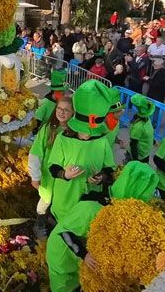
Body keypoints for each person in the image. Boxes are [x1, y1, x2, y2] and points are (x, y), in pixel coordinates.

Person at [44, 82, 117, 221]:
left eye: (91, 131)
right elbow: (53, 166)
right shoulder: (63, 139)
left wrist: (101, 177)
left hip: (89, 203)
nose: (87, 134)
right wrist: (65, 174)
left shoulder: (102, 141)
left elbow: (109, 169)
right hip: (64, 201)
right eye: (83, 129)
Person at [42, 200, 102, 292]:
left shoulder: (93, 206)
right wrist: (84, 255)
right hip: (62, 256)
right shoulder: (94, 214)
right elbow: (65, 233)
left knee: (76, 283)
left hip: (71, 257)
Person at [28, 96, 75, 238]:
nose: (61, 112)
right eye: (59, 109)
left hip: (65, 176)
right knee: (46, 200)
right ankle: (39, 224)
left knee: (60, 200)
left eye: (66, 110)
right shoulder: (49, 129)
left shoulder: (75, 132)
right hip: (48, 176)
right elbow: (36, 153)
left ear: (73, 113)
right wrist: (35, 176)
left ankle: (51, 218)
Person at [127, 94, 155, 163]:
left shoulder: (147, 119)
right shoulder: (138, 126)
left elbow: (147, 132)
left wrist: (153, 141)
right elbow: (133, 145)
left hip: (145, 153)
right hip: (140, 157)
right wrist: (136, 161)